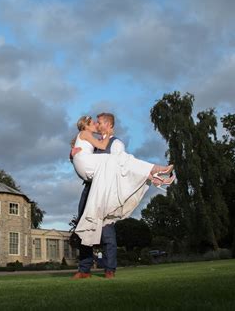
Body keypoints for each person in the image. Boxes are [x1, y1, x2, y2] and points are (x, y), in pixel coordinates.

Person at [70, 114, 174, 278]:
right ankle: (84, 269)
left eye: (101, 122)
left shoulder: (115, 143)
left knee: (107, 231)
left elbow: (123, 166)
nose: (97, 125)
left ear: (110, 125)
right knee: (84, 226)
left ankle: (110, 269)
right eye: (96, 122)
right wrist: (73, 155)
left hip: (107, 189)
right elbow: (82, 157)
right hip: (90, 188)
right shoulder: (90, 141)